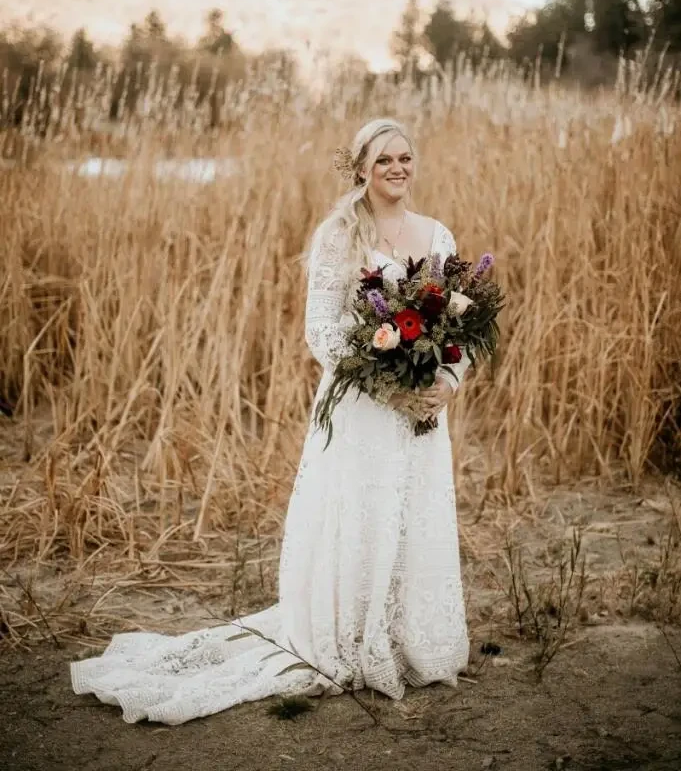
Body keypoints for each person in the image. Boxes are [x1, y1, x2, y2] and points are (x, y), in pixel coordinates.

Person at [70, 117, 473, 724]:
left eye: (406, 158)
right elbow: (323, 331)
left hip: (422, 413)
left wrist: (447, 382)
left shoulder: (436, 234)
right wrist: (388, 385)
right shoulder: (339, 234)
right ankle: (350, 635)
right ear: (360, 167)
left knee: (413, 511)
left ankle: (405, 637)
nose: (397, 168)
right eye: (384, 158)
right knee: (361, 512)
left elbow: (460, 324)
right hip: (364, 405)